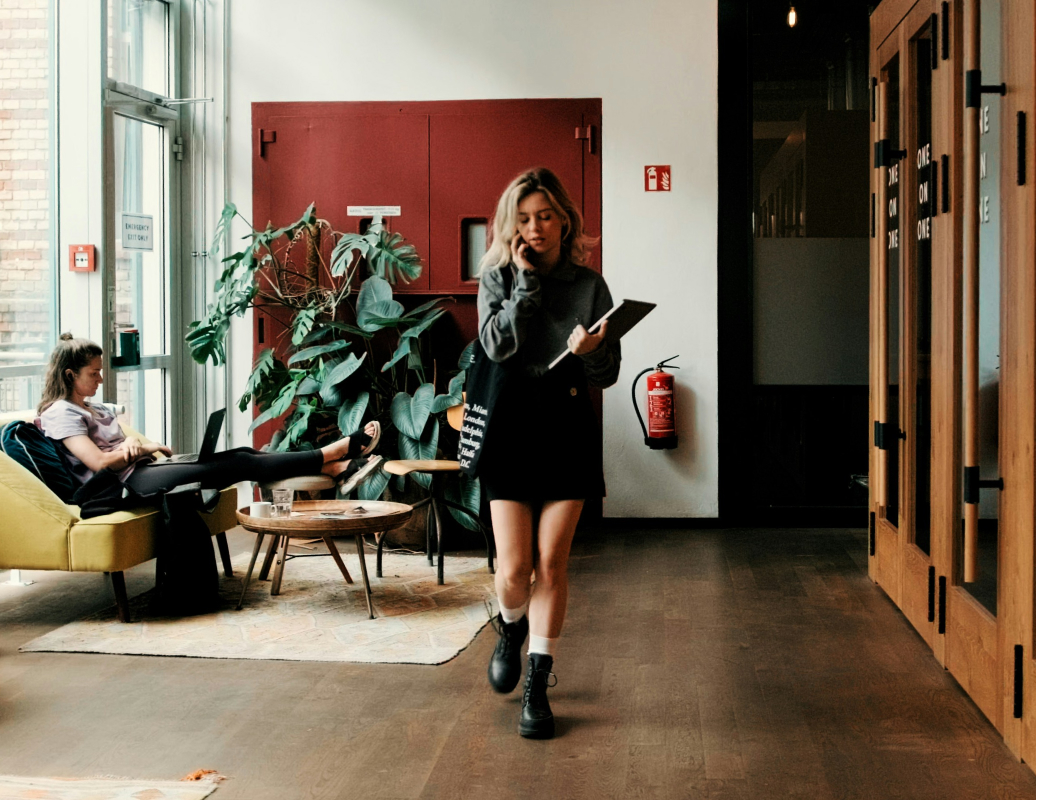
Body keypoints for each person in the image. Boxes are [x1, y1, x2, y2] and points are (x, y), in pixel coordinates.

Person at [475, 167, 620, 739]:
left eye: (545, 216)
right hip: (509, 429)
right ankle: (511, 625)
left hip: (566, 429)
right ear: (510, 225)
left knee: (551, 563)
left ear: (564, 220)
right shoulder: (496, 278)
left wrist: (590, 351)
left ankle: (537, 685)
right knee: (514, 569)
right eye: (523, 219)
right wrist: (526, 285)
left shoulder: (590, 286)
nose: (535, 228)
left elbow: (606, 376)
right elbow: (496, 345)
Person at [36, 334, 381, 504]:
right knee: (242, 462)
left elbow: (116, 447)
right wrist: (144, 448)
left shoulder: (94, 407)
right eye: (93, 373)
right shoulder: (61, 413)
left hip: (139, 471)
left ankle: (333, 468)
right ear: (70, 375)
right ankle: (335, 452)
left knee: (243, 453)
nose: (100, 379)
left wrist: (133, 444)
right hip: (122, 486)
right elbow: (98, 463)